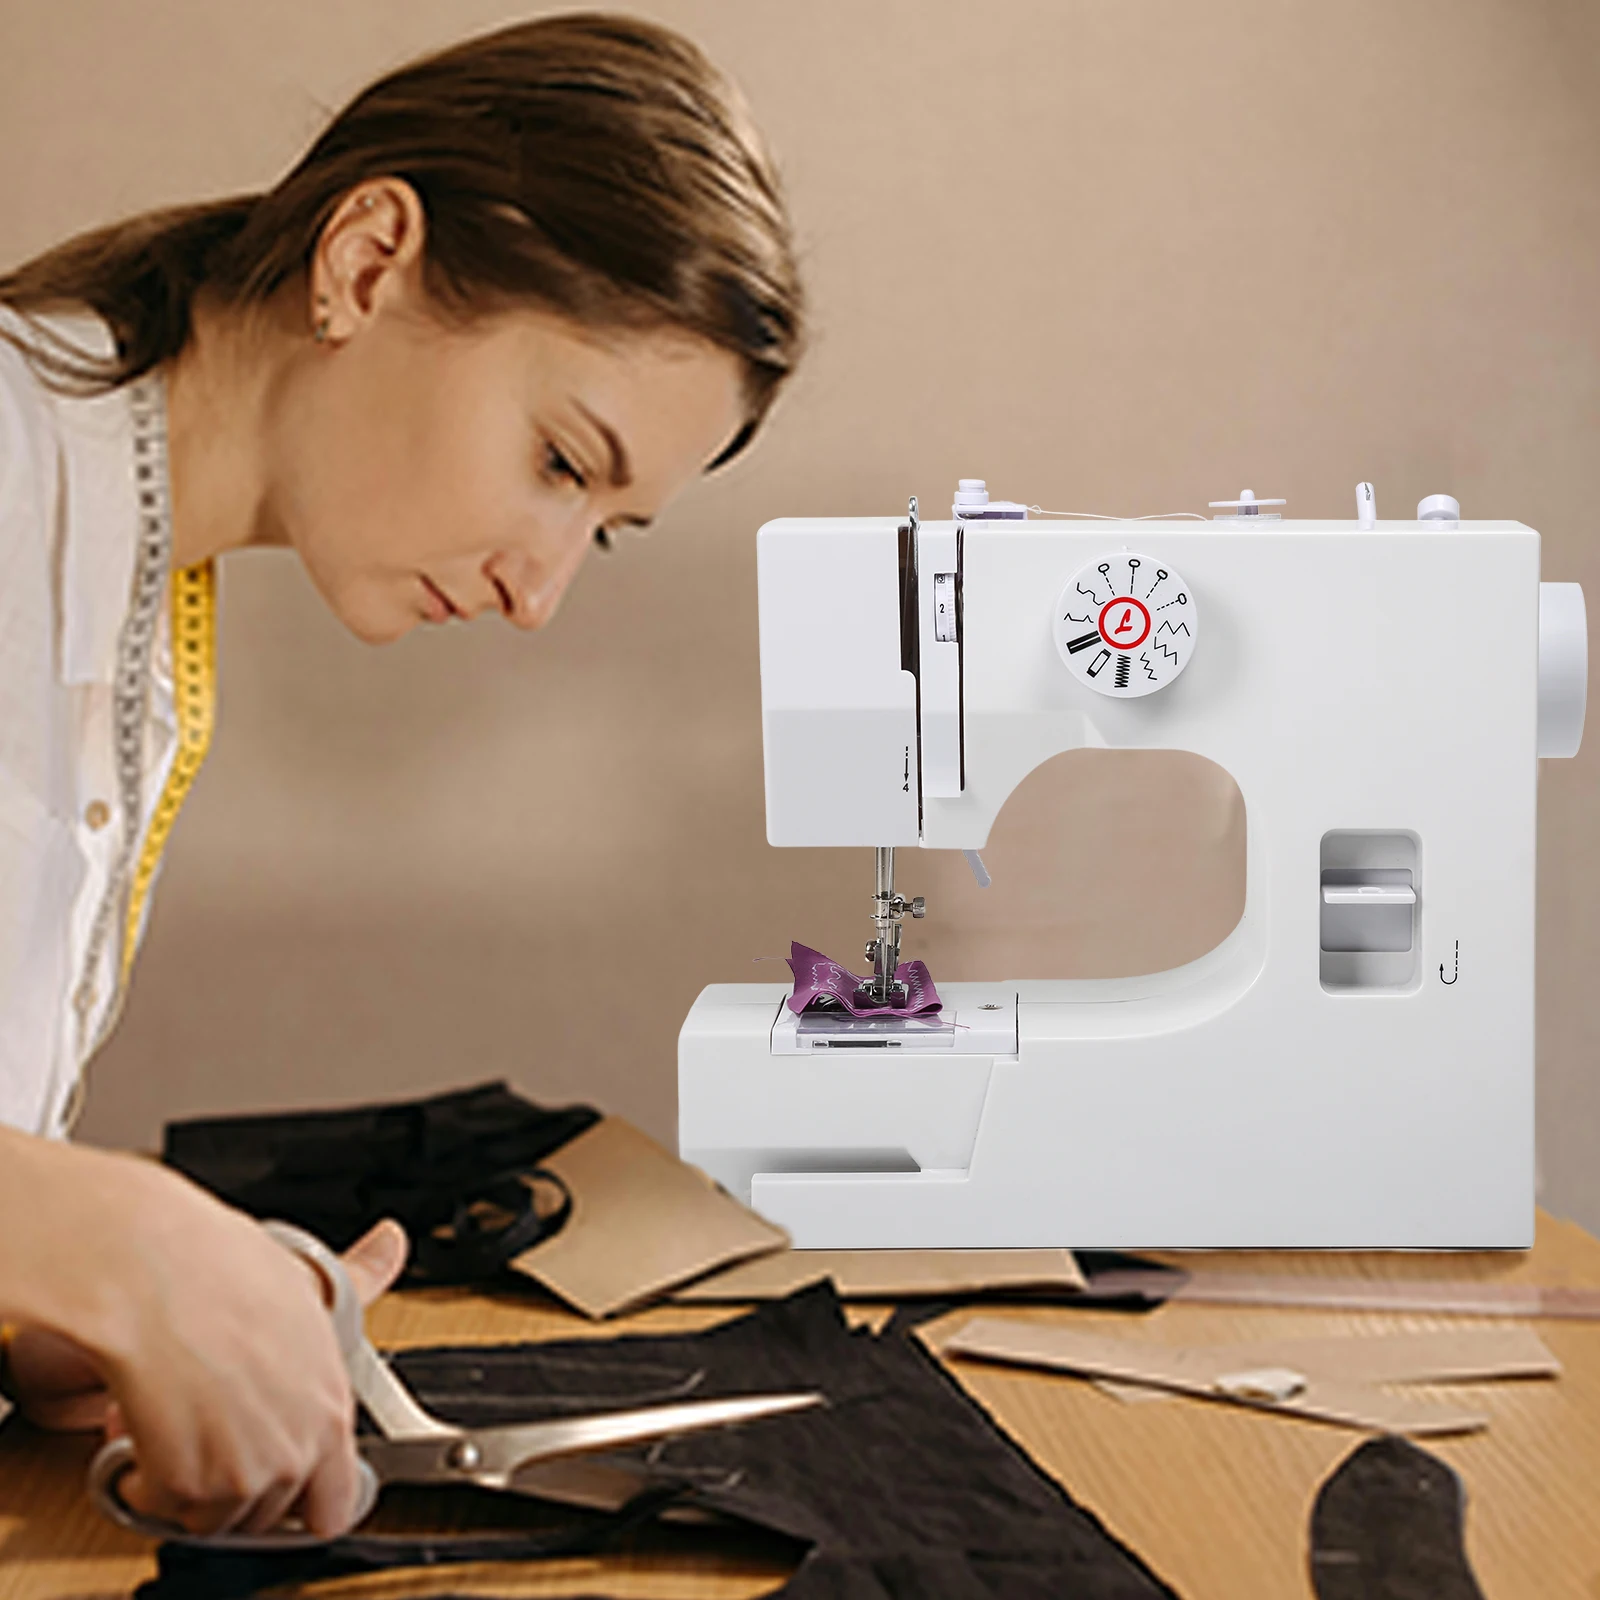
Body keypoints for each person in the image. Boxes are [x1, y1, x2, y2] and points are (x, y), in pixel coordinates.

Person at [0, 12, 802, 1539]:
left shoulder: (143, 601)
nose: (539, 594)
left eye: (604, 530)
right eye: (560, 462)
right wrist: (106, 1238)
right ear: (366, 263)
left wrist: (79, 1316)